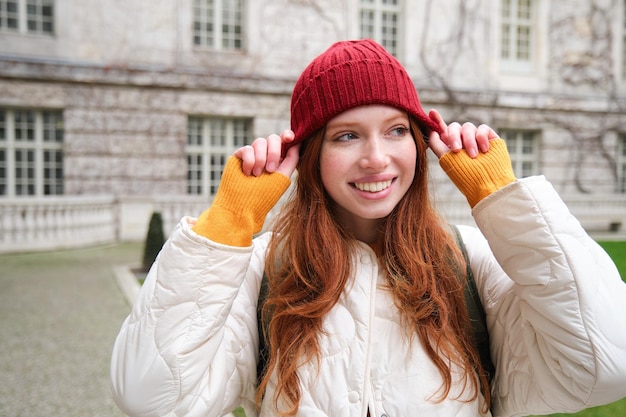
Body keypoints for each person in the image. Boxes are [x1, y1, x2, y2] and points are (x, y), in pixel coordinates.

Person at [110, 39, 626, 417]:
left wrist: (502, 200)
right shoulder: (260, 269)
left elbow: (607, 364)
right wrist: (227, 223)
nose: (376, 159)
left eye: (397, 130)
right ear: (311, 155)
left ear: (420, 145)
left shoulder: (472, 260)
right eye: (347, 136)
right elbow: (153, 397)